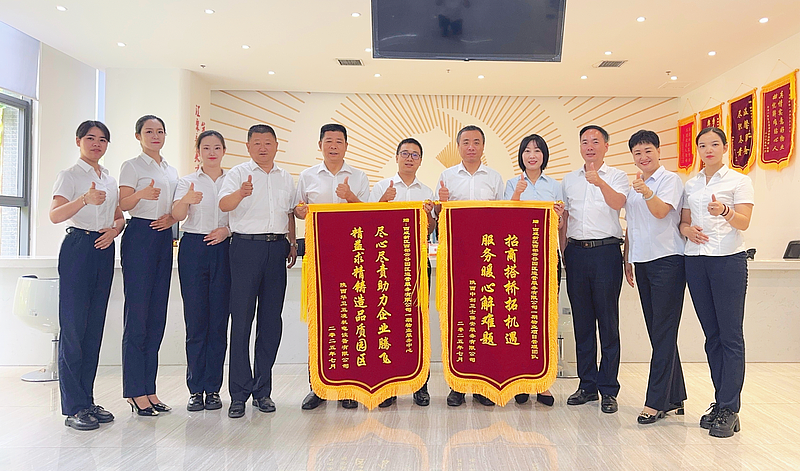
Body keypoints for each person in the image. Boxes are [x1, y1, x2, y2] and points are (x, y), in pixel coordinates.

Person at [218, 124, 298, 418]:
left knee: (270, 321)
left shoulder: (286, 177)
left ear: (276, 146)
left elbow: (290, 213)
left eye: (268, 142)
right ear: (248, 146)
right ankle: (238, 394)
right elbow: (224, 204)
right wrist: (241, 193)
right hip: (245, 248)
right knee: (241, 321)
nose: (263, 148)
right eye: (257, 143)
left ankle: (263, 391)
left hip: (276, 249)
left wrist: (292, 242)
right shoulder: (237, 174)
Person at [50, 121, 124, 430]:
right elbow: (55, 215)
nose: (97, 144)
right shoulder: (69, 175)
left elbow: (119, 217)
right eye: (91, 138)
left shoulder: (109, 178)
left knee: (93, 329)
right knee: (74, 328)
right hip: (78, 247)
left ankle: (87, 400)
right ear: (78, 140)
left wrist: (114, 231)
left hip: (103, 249)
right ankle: (73, 407)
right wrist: (83, 200)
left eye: (102, 140)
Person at [680, 127, 754, 438]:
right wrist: (687, 231)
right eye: (702, 145)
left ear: (725, 147)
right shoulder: (692, 183)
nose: (708, 149)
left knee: (730, 336)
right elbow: (683, 222)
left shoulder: (739, 180)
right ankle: (720, 401)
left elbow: (744, 222)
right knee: (712, 337)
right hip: (696, 261)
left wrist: (725, 210)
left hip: (727, 261)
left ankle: (730, 408)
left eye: (714, 144)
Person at [294, 123, 370, 410]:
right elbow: (298, 209)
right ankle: (317, 386)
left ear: (346, 146)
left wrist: (350, 197)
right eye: (329, 141)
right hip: (318, 256)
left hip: (351, 256)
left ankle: (348, 386)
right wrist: (300, 211)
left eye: (339, 141)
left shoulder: (359, 176)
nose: (334, 145)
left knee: (350, 318)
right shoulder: (307, 176)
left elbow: (368, 215)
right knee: (319, 319)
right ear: (320, 145)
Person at [561, 125, 628, 414]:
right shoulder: (569, 180)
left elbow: (619, 203)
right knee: (583, 323)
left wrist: (599, 182)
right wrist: (564, 252)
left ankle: (609, 388)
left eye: (595, 141)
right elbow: (564, 218)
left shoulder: (617, 176)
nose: (589, 146)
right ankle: (587, 385)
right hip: (576, 253)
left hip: (606, 252)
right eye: (585, 142)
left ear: (606, 146)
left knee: (608, 323)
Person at [622, 130, 687, 424]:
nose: (643, 157)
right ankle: (674, 396)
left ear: (658, 151)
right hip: (643, 261)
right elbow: (632, 225)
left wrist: (647, 192)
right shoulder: (635, 185)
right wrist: (628, 257)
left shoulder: (670, 180)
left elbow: (661, 212)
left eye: (648, 150)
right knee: (659, 331)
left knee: (663, 331)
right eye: (637, 153)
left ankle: (656, 401)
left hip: (667, 261)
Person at [437, 125, 504, 407]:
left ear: (483, 146)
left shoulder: (495, 178)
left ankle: (482, 385)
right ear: (458, 146)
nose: (471, 147)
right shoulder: (447, 176)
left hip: (487, 258)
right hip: (458, 258)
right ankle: (457, 385)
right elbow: (439, 218)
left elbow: (504, 218)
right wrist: (440, 205)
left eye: (476, 142)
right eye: (466, 142)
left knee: (485, 317)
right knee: (458, 318)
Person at [369, 137, 436, 408]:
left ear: (420, 161)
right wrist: (382, 201)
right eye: (405, 154)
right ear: (396, 157)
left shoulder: (427, 190)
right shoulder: (381, 187)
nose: (409, 158)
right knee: (388, 322)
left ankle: (421, 385)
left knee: (419, 322)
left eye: (415, 155)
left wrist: (429, 215)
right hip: (386, 265)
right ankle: (389, 385)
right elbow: (368, 223)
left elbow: (430, 229)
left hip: (418, 264)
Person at [118, 115, 178, 416]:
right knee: (138, 315)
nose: (155, 136)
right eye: (149, 131)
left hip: (163, 236)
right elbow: (123, 204)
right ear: (138, 136)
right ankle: (134, 391)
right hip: (140, 235)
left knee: (156, 316)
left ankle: (149, 389)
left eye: (160, 131)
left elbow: (175, 206)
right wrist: (141, 194)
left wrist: (172, 218)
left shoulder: (170, 169)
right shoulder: (132, 166)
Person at [172, 130, 231, 412]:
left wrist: (226, 231)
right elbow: (177, 215)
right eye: (206, 148)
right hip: (194, 248)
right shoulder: (187, 181)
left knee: (218, 322)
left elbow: (242, 215)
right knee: (196, 321)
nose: (211, 152)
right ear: (198, 152)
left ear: (224, 151)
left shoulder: (233, 180)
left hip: (224, 247)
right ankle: (195, 389)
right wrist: (186, 200)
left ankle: (214, 389)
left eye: (217, 147)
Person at [504, 133, 564, 407]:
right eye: (527, 150)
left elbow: (560, 225)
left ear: (544, 156)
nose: (532, 155)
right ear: (521, 155)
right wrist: (517, 194)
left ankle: (544, 383)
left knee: (546, 319)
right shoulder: (511, 184)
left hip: (547, 258)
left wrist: (559, 217)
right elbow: (505, 221)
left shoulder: (555, 185)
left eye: (537, 150)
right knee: (519, 318)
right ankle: (520, 379)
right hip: (519, 260)